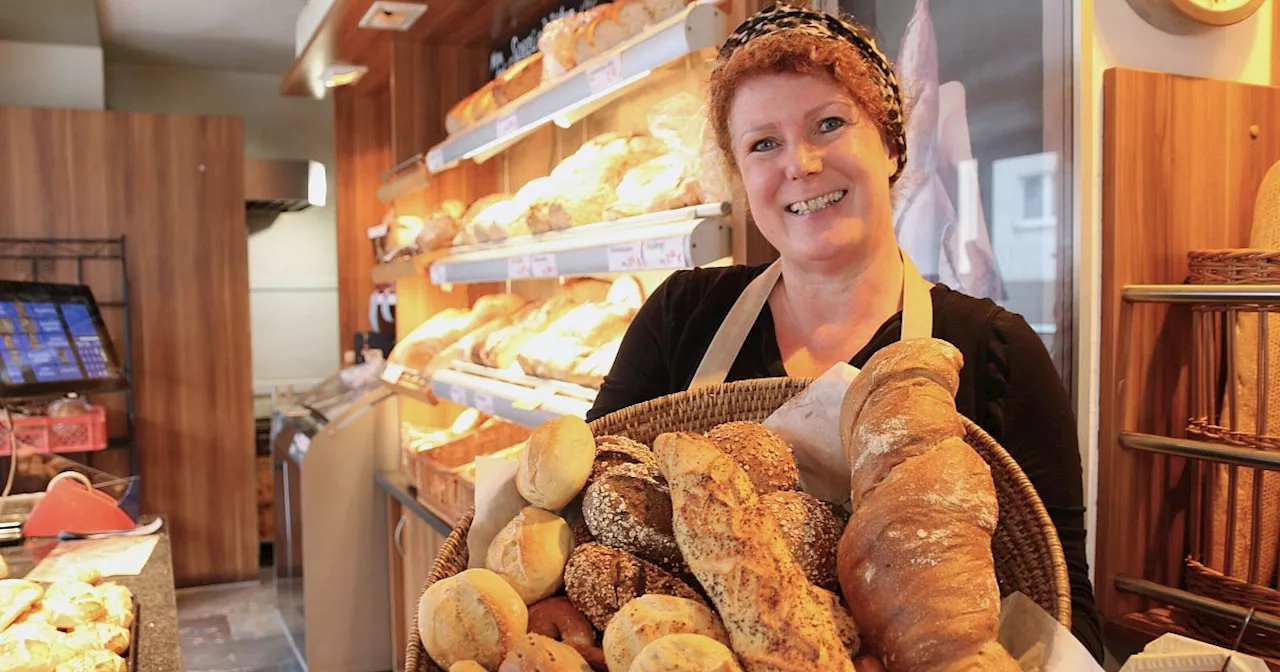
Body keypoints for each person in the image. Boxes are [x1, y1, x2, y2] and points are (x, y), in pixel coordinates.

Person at [586, 3, 1104, 661]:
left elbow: (1067, 616)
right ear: (742, 179)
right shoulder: (682, 316)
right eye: (763, 144)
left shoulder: (993, 350)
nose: (799, 164)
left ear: (889, 144)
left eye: (829, 125)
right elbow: (590, 504)